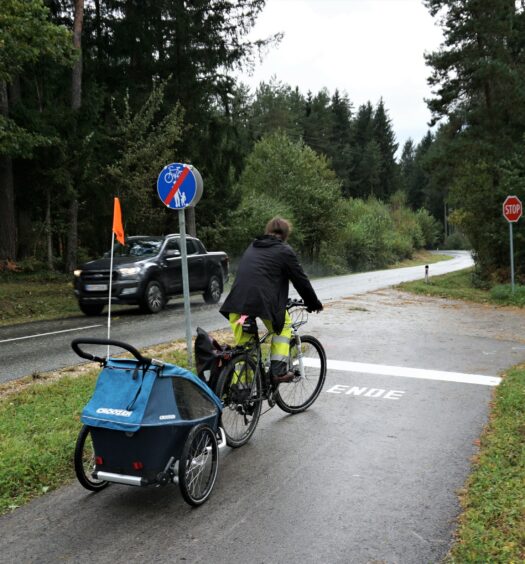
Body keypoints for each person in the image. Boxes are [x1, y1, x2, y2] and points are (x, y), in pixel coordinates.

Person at [220, 217, 323, 384]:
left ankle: (240, 391)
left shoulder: (253, 246)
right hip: (263, 304)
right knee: (284, 328)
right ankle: (278, 372)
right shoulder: (284, 251)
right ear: (285, 235)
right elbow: (300, 280)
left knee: (245, 350)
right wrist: (313, 303)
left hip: (237, 307)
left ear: (267, 231)